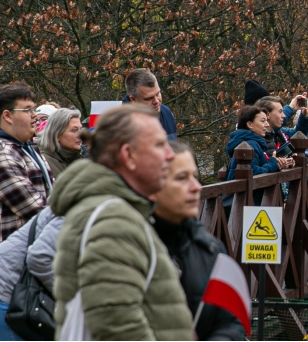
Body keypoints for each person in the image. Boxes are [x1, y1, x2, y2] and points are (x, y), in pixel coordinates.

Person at [50, 103, 193, 340]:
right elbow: (116, 326)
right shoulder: (113, 220)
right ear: (128, 155)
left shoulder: (118, 209)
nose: (170, 154)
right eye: (159, 145)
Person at [151, 141, 245, 341]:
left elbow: (229, 323)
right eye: (182, 178)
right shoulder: (129, 248)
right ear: (151, 185)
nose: (195, 187)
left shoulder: (210, 249)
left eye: (195, 177)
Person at [0, 82, 52, 265]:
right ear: (7, 115)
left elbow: (54, 195)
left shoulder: (26, 149)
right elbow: (37, 210)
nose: (35, 117)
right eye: (28, 110)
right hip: (5, 275)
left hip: (25, 270)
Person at [0, 205, 63, 341]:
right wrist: (68, 294)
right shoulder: (76, 211)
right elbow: (39, 258)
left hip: (12, 289)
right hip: (3, 290)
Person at [224, 106, 294, 209]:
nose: (267, 124)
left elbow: (260, 167)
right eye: (262, 121)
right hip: (250, 206)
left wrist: (279, 164)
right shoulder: (250, 144)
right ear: (249, 124)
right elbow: (254, 174)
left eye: (266, 120)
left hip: (254, 204)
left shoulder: (254, 142)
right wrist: (273, 163)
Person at [123, 68, 178, 140]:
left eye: (158, 94)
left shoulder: (167, 113)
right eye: (149, 98)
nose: (156, 101)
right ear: (133, 99)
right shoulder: (120, 125)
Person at [39, 107, 84, 180]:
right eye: (74, 130)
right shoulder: (43, 163)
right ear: (56, 134)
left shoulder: (77, 158)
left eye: (81, 129)